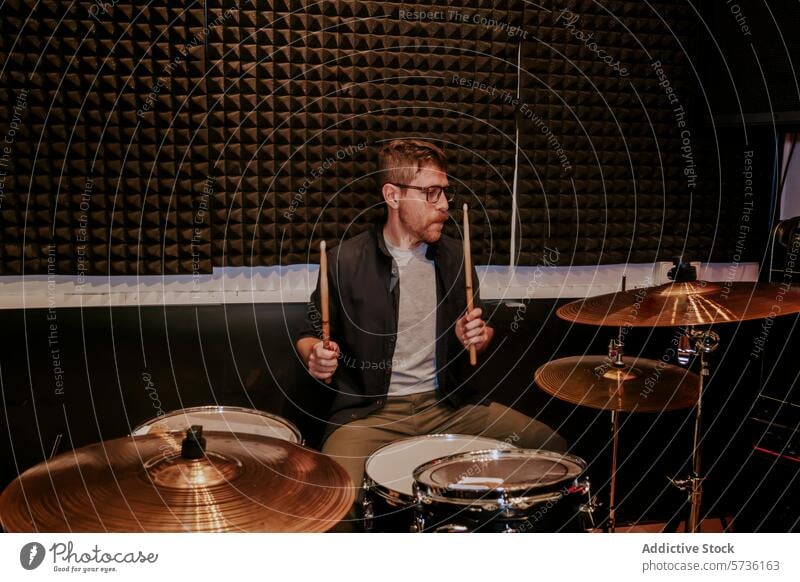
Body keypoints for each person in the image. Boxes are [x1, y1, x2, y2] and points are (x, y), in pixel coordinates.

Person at [295, 139, 567, 497]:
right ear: (393, 196)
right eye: (433, 193)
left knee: (552, 449)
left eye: (445, 193)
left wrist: (477, 336)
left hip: (448, 406)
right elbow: (308, 332)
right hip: (371, 415)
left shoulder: (456, 256)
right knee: (336, 495)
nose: (444, 205)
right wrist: (315, 354)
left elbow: (480, 330)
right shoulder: (345, 259)